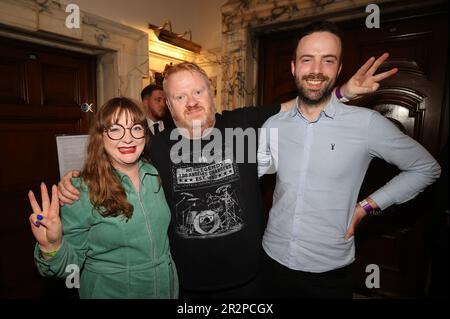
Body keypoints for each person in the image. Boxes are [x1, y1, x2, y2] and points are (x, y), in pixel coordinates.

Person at [58, 55, 396, 298]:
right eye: (179, 97)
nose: (191, 102)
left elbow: (300, 107)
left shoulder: (242, 123)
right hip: (184, 286)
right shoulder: (154, 147)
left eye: (198, 92)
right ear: (168, 106)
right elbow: (116, 155)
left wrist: (344, 92)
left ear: (211, 93)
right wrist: (75, 180)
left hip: (250, 280)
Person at [257, 20, 441, 299]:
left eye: (327, 60)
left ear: (339, 68)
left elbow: (425, 168)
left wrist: (365, 207)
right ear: (294, 67)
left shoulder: (367, 124)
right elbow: (248, 174)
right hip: (271, 260)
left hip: (328, 272)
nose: (316, 70)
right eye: (307, 60)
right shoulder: (273, 124)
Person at [29, 97, 178, 299]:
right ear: (101, 136)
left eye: (136, 128)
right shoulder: (82, 191)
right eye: (115, 129)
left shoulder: (154, 175)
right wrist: (51, 247)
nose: (128, 138)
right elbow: (69, 270)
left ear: (145, 134)